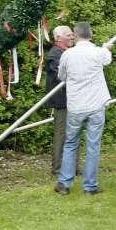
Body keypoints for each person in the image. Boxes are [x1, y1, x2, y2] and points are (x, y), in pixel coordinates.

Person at [54, 22, 112, 196]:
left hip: (76, 106)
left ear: (76, 35)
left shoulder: (67, 55)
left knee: (70, 144)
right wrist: (106, 48)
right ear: (91, 34)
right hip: (96, 105)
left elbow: (61, 76)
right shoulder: (98, 52)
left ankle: (64, 184)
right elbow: (107, 59)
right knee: (93, 145)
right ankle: (90, 186)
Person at [45, 25, 75, 175]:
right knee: (61, 135)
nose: (72, 37)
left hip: (73, 100)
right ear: (58, 38)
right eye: (68, 35)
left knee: (73, 134)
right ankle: (57, 169)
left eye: (72, 35)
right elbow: (60, 75)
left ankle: (73, 167)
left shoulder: (68, 52)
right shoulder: (55, 54)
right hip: (62, 101)